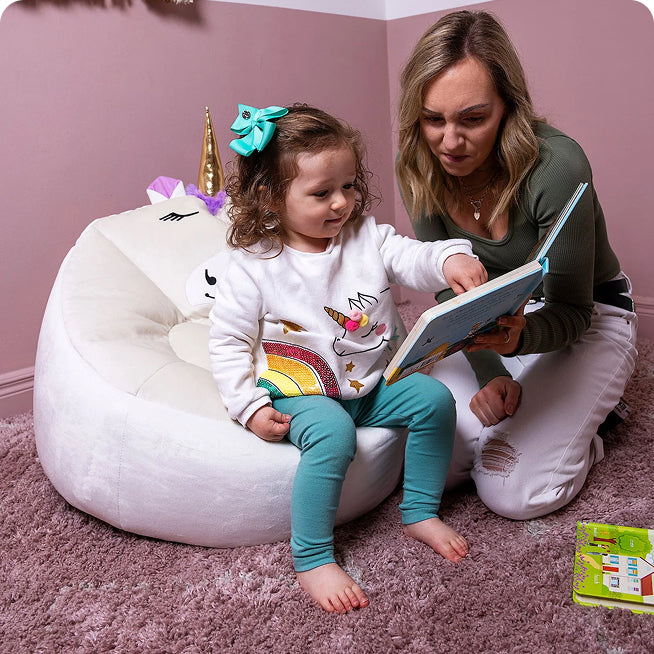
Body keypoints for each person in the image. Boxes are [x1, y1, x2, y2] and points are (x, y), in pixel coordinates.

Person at [209, 103, 488, 614]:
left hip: (371, 383)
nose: (341, 202)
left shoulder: (366, 238)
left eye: (349, 186)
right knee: (334, 434)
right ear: (271, 197)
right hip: (301, 391)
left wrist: (449, 257)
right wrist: (247, 407)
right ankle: (313, 557)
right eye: (322, 193)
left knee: (433, 399)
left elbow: (413, 255)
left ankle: (420, 511)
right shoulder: (254, 266)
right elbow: (227, 342)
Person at [396, 10, 638, 521]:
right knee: (433, 463)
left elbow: (574, 311)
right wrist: (490, 371)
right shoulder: (419, 164)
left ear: (508, 107)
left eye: (472, 119)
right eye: (433, 119)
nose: (449, 142)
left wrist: (515, 343)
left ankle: (591, 427)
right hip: (493, 324)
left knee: (510, 490)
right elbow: (450, 289)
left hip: (586, 318)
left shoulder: (557, 166)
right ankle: (544, 411)